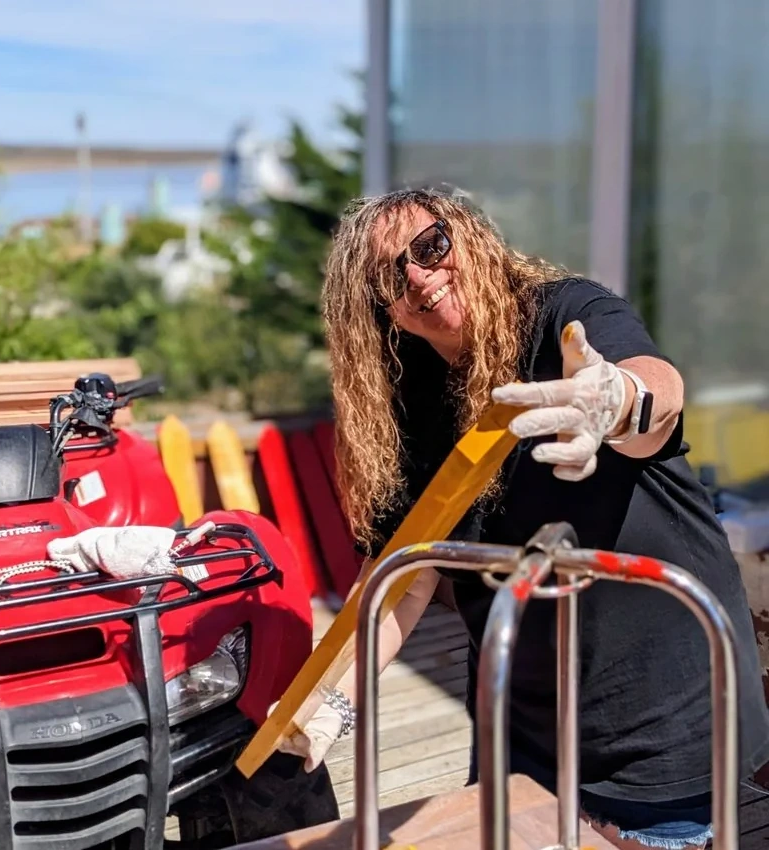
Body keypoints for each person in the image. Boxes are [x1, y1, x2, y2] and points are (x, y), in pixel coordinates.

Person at [275, 187, 769, 849]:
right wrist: (333, 701)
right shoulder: (410, 402)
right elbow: (404, 577)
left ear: (470, 237)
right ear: (381, 310)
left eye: (430, 246)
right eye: (390, 277)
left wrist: (616, 401)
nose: (418, 276)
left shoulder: (566, 315)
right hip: (522, 720)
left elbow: (658, 392)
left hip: (660, 705)